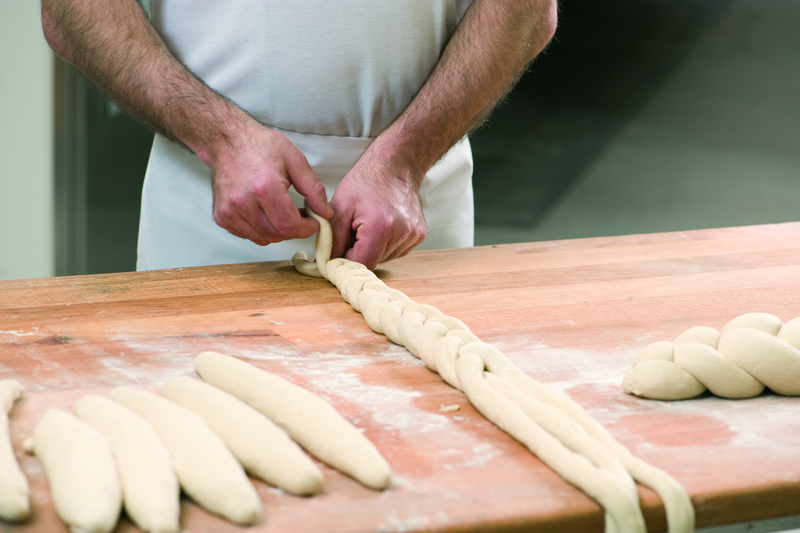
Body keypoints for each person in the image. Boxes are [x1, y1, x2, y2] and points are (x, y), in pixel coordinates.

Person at [41, 1, 557, 271]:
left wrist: (403, 162)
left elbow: (527, 10)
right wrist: (222, 140)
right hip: (211, 212)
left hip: (412, 211)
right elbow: (73, 10)